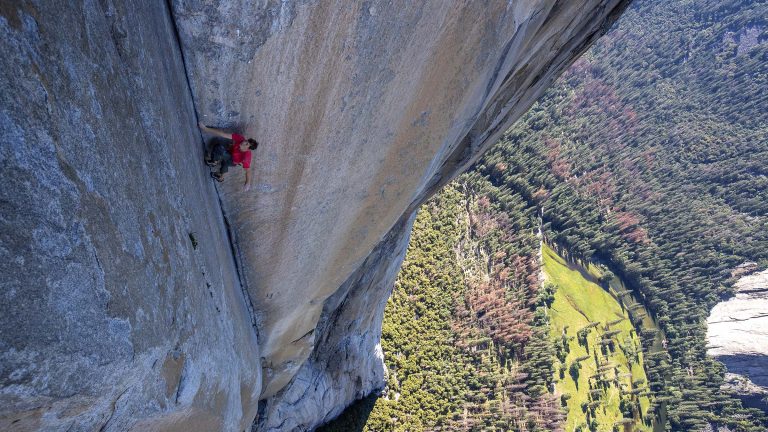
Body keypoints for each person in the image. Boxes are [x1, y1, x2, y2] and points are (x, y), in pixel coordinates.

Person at [199, 122, 258, 190]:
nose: (244, 142)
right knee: (224, 159)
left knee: (221, 152)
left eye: (247, 144)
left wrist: (248, 183)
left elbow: (248, 171)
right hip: (230, 154)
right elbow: (223, 134)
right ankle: (220, 175)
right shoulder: (240, 138)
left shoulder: (246, 156)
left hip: (233, 161)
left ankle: (214, 163)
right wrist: (205, 128)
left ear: (248, 149)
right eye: (246, 141)